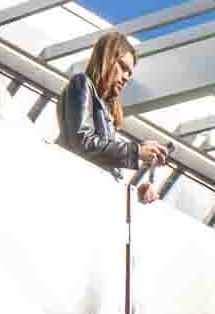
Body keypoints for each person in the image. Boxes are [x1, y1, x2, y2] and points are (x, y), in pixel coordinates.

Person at [56, 27, 170, 202]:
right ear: (107, 59)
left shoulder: (105, 109)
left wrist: (137, 193)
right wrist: (137, 151)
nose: (126, 77)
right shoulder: (81, 83)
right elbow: (83, 141)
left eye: (129, 74)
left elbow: (101, 157)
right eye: (123, 67)